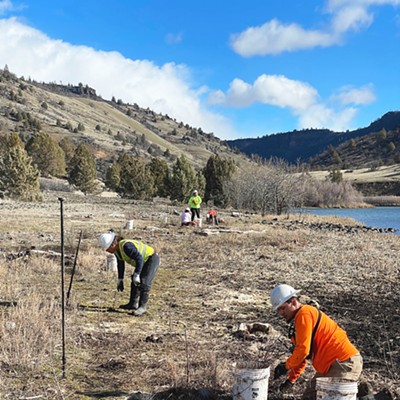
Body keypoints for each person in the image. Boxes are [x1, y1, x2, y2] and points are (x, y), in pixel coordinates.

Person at [270, 284, 362, 400]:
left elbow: (303, 351)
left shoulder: (304, 314)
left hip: (344, 363)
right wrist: (291, 380)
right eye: (278, 310)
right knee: (309, 397)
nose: (281, 313)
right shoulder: (299, 320)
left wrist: (286, 366)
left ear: (293, 302)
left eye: (282, 308)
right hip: (331, 366)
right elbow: (302, 355)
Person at [98, 231, 160, 316]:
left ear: (113, 244)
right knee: (134, 281)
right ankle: (133, 304)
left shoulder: (126, 246)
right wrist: (120, 279)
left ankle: (142, 307)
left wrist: (137, 274)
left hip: (151, 258)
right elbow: (120, 264)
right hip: (144, 261)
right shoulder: (117, 251)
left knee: (145, 282)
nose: (108, 251)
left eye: (108, 249)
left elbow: (139, 258)